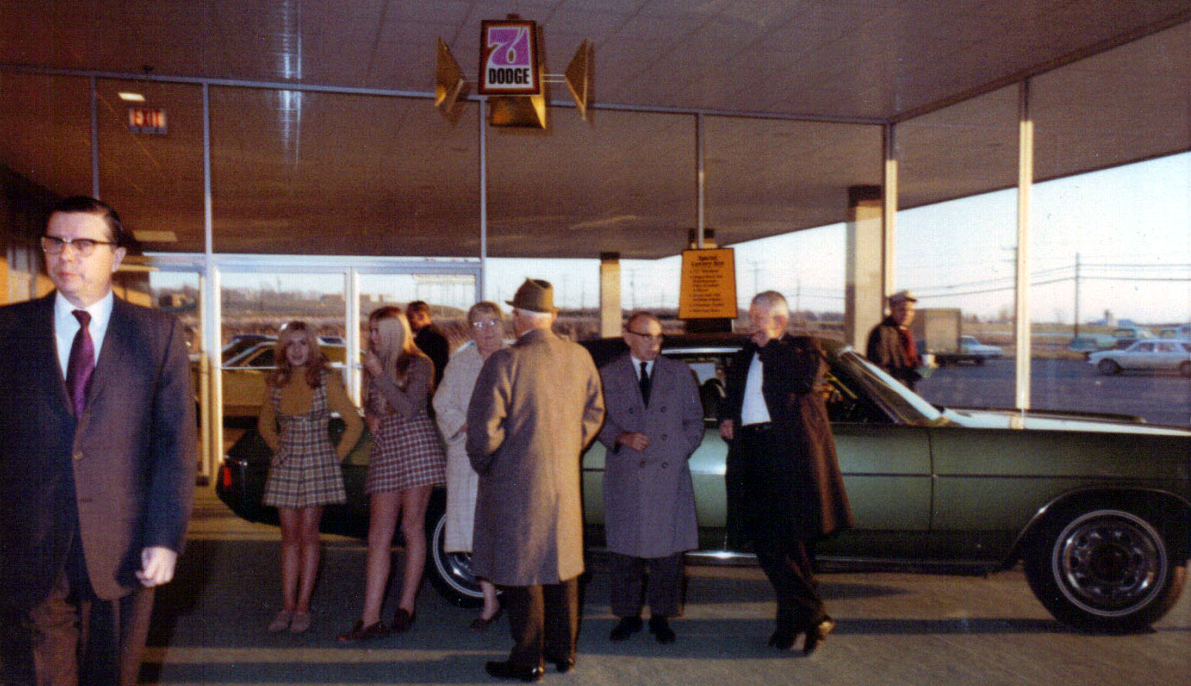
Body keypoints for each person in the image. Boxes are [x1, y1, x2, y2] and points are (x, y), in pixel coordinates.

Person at [0, 196, 197, 685]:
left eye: (84, 243)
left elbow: (176, 445)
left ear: (117, 256)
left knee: (114, 675)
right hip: (29, 543)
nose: (66, 255)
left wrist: (165, 537)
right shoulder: (8, 329)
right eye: (56, 242)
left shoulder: (158, 335)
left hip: (125, 546)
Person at [466, 279, 604, 682]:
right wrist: (565, 449)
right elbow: (595, 412)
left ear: (516, 318)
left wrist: (488, 464)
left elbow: (483, 431)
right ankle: (564, 651)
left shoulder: (505, 362)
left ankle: (528, 658)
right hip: (563, 478)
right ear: (552, 317)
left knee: (522, 567)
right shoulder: (579, 357)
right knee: (561, 563)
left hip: (516, 479)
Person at [717, 291, 852, 655]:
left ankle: (795, 620)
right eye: (750, 316)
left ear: (778, 320)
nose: (751, 323)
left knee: (789, 542)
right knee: (766, 540)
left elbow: (803, 380)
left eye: (757, 316)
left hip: (786, 455)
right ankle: (811, 615)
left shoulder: (803, 348)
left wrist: (772, 346)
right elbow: (733, 395)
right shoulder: (745, 354)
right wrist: (727, 416)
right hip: (753, 451)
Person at [338, 307, 446, 642]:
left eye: (378, 331)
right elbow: (374, 405)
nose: (371, 337)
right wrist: (369, 412)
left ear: (396, 332)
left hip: (416, 445)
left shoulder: (420, 363)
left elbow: (410, 408)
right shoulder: (375, 363)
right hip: (386, 447)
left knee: (411, 527)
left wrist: (379, 376)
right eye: (370, 330)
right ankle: (370, 618)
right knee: (378, 535)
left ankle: (406, 605)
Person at [597, 312, 703, 645]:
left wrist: (677, 452)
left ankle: (661, 616)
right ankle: (628, 616)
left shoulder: (680, 374)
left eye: (658, 337)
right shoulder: (607, 375)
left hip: (667, 475)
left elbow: (695, 422)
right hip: (626, 472)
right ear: (627, 336)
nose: (654, 344)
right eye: (646, 336)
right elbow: (594, 418)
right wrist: (620, 436)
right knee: (625, 551)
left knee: (667, 553)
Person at [258, 321, 363, 634]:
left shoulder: (324, 379)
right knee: (288, 536)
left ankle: (303, 607)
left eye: (303, 343)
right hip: (287, 462)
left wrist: (334, 458)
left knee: (308, 533)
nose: (297, 350)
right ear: (283, 349)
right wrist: (281, 449)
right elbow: (265, 424)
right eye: (291, 344)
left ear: (312, 347)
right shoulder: (276, 380)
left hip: (318, 461)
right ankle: (287, 605)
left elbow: (354, 423)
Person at [432, 302, 506, 630]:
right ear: (470, 330)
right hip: (469, 457)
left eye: (493, 323)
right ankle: (489, 602)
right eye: (478, 325)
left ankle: (519, 601)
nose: (487, 331)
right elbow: (441, 402)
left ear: (504, 327)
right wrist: (465, 425)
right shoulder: (459, 363)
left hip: (510, 458)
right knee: (477, 531)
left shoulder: (515, 359)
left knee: (510, 530)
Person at [866, 289, 921, 390]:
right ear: (892, 309)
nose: (907, 314)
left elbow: (915, 376)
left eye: (911, 310)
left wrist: (927, 369)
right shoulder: (882, 332)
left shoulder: (907, 333)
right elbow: (879, 371)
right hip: (893, 395)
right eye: (902, 309)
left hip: (908, 394)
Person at [407, 300, 450, 387]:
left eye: (410, 317)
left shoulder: (428, 339)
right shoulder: (435, 334)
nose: (407, 321)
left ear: (421, 316)